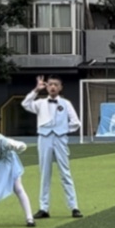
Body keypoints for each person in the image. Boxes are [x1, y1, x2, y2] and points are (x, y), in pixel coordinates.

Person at [22, 75, 82, 218]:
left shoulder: (66, 103)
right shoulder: (40, 103)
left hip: (60, 138)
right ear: (46, 87)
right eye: (50, 84)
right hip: (44, 137)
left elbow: (76, 122)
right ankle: (44, 207)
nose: (53, 87)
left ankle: (74, 206)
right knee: (44, 173)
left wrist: (63, 130)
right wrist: (36, 90)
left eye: (56, 84)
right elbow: (25, 104)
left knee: (65, 172)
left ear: (60, 87)